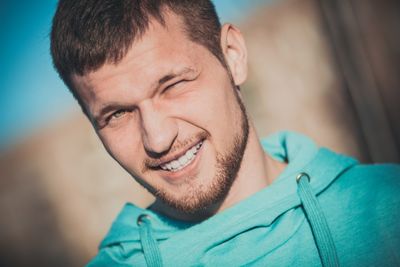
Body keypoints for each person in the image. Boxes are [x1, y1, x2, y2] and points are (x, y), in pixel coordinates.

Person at [50, 0, 400, 266]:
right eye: (118, 114)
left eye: (172, 85)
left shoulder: (388, 207)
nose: (157, 139)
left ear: (233, 56)